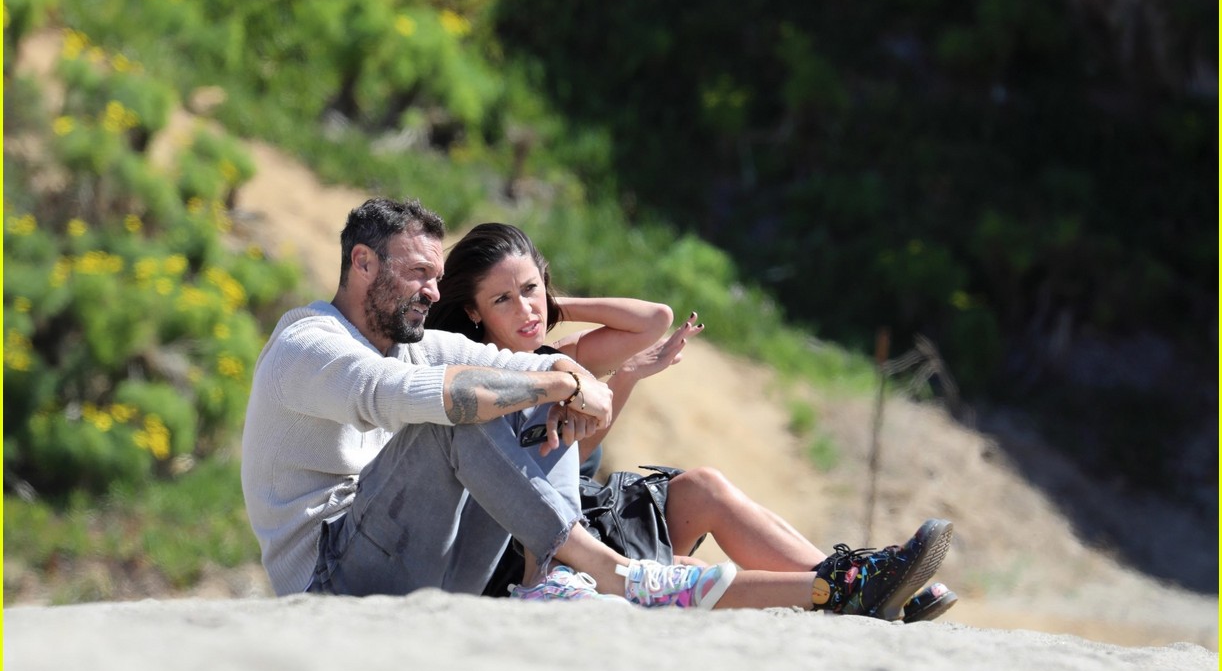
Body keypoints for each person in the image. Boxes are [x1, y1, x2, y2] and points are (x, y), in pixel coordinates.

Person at [241, 197, 953, 618]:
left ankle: (569, 575)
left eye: (437, 275)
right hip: (332, 579)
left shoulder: (419, 345)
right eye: (417, 273)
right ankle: (605, 572)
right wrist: (553, 383)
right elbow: (396, 396)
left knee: (516, 393)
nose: (432, 291)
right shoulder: (310, 345)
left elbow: (522, 365)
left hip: (430, 569)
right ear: (362, 264)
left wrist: (567, 374)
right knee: (457, 414)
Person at [425, 222, 958, 621]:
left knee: (704, 486)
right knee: (689, 541)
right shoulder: (483, 381)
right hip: (538, 546)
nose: (525, 310)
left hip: (589, 511)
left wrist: (563, 313)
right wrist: (612, 371)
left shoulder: (558, 356)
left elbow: (653, 320)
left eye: (530, 289)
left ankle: (865, 582)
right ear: (473, 312)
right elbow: (554, 469)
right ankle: (859, 586)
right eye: (502, 299)